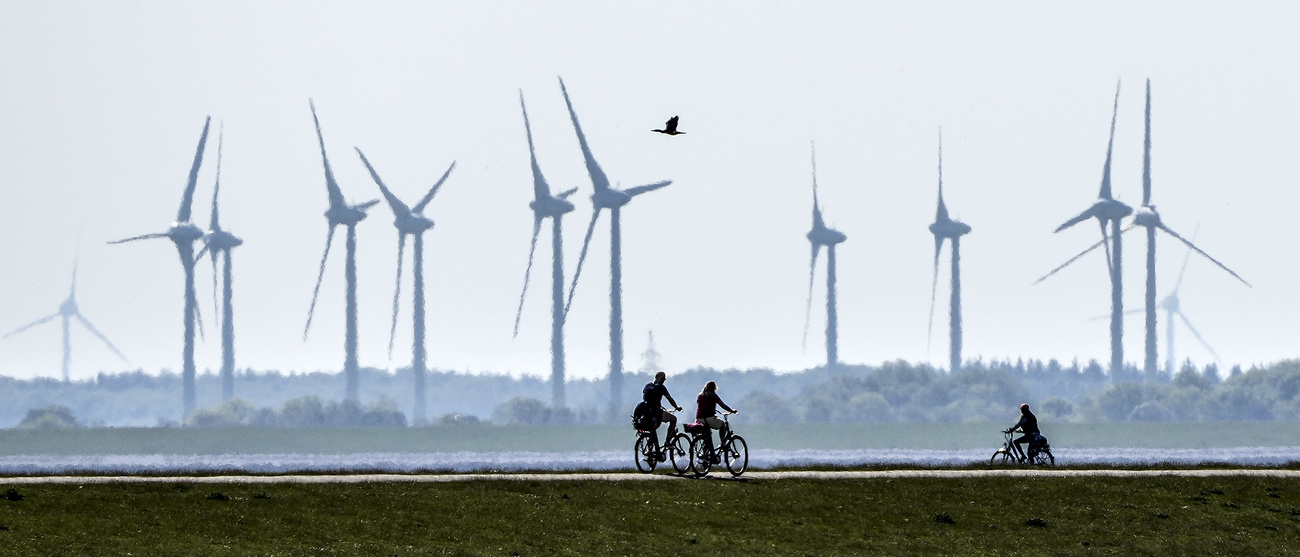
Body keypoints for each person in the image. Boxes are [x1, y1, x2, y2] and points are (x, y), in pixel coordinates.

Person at [694, 380, 737, 462]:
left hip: (698, 419)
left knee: (707, 436)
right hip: (709, 419)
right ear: (714, 388)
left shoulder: (700, 396)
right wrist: (731, 410)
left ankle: (705, 455)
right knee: (723, 425)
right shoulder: (713, 396)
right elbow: (722, 405)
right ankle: (723, 443)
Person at [642, 371, 682, 453]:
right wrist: (676, 407)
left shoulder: (647, 386)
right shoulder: (661, 387)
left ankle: (650, 448)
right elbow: (670, 399)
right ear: (662, 379)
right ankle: (667, 442)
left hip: (646, 413)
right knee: (674, 419)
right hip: (656, 412)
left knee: (652, 429)